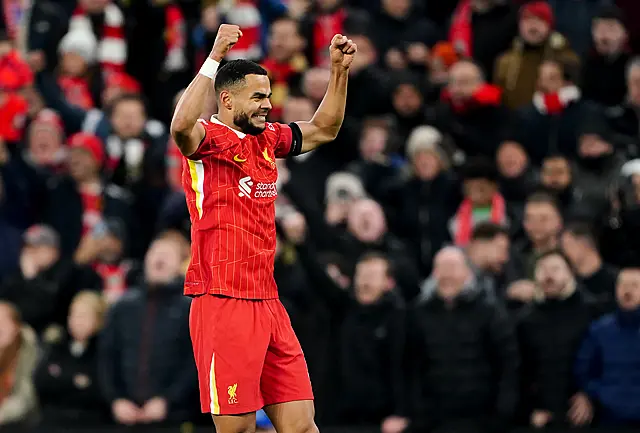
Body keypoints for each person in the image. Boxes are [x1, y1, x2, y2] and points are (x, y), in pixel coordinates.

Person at [169, 24, 356, 433]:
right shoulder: (207, 142)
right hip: (222, 299)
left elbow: (324, 128)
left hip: (268, 300)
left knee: (303, 427)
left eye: (269, 96)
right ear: (226, 98)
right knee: (237, 430)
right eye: (258, 97)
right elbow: (181, 126)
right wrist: (215, 55)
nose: (267, 105)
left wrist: (338, 72)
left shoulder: (268, 140)